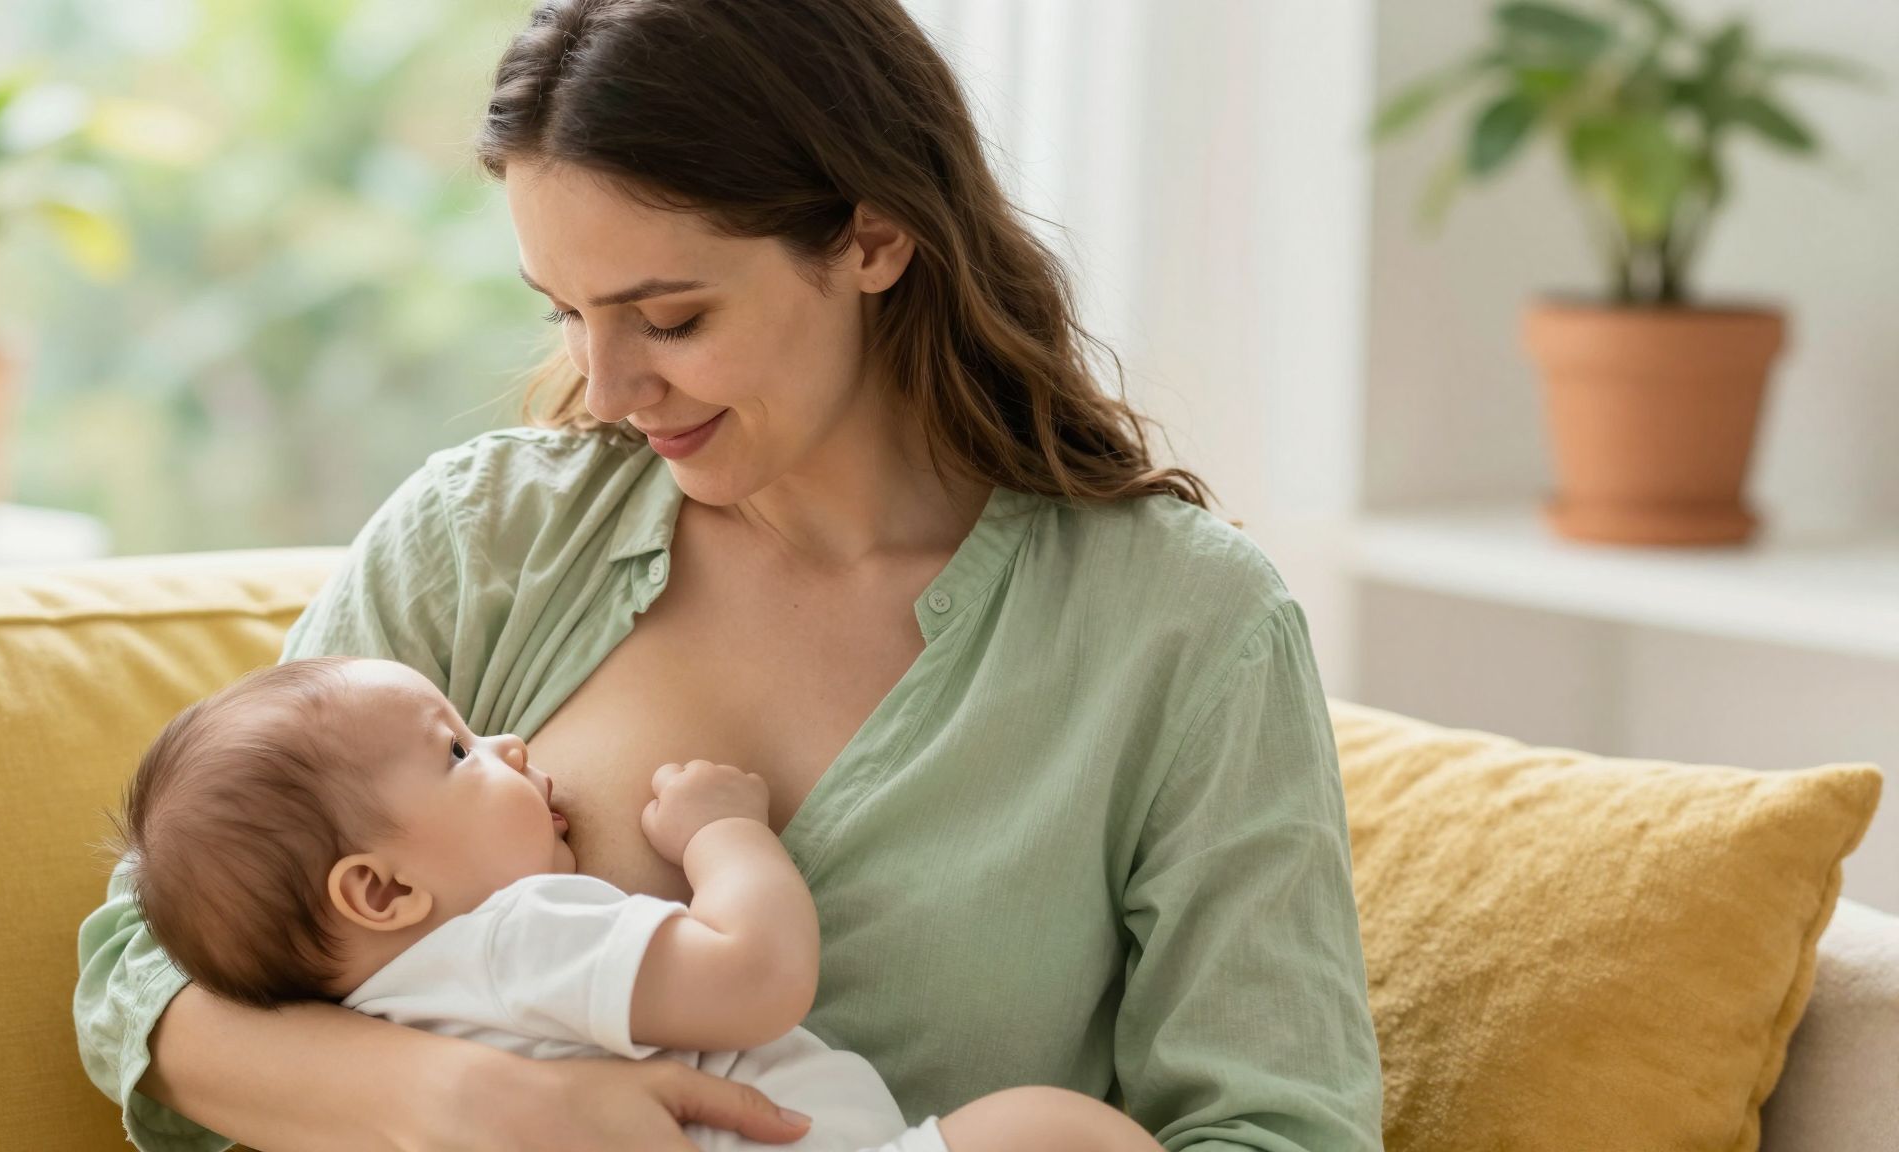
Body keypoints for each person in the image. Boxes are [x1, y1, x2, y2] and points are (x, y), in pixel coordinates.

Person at [74, 1, 1386, 1149]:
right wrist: (472, 1104)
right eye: (565, 312)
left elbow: (1279, 1127)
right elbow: (145, 964)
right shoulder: (487, 539)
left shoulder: (1180, 630)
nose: (606, 387)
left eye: (671, 318)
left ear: (873, 239)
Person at [114, 655, 1165, 1152]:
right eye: (458, 751)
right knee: (1050, 1134)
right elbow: (757, 979)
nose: (507, 742)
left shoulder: (371, 1019)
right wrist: (724, 835)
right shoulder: (512, 939)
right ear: (382, 889)